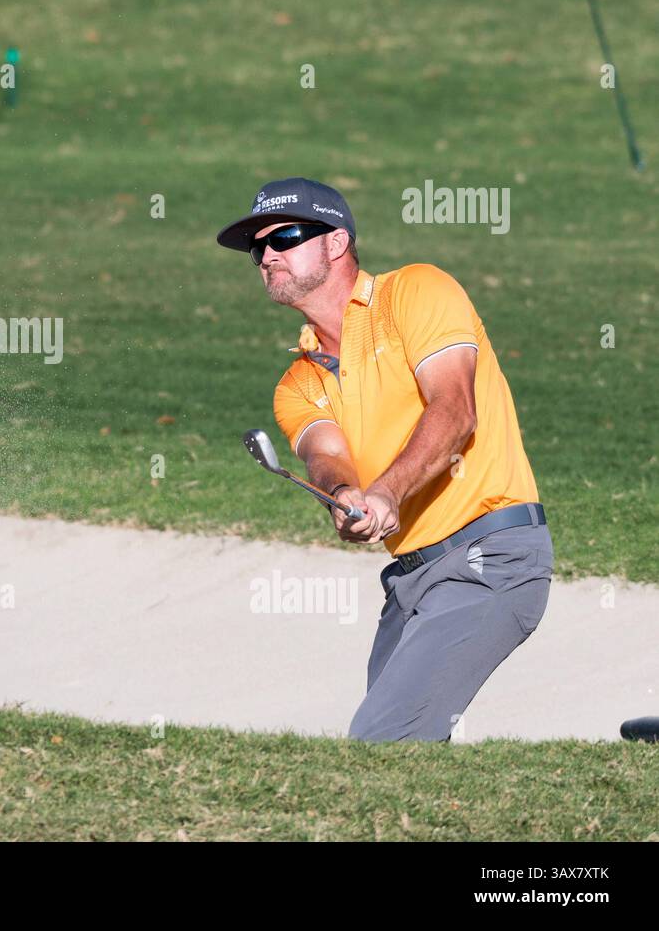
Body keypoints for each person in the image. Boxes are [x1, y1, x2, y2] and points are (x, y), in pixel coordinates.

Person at [216, 178, 553, 742]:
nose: (268, 256)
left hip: (490, 557)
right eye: (258, 249)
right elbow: (326, 455)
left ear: (337, 243)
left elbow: (455, 409)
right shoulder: (296, 383)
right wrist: (344, 497)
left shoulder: (415, 291)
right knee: (403, 761)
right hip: (411, 581)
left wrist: (388, 492)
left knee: (380, 743)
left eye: (287, 237)